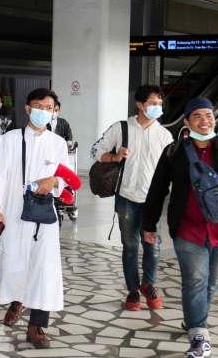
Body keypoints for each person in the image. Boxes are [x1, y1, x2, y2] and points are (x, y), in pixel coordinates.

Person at [143, 97, 218, 358]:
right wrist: (149, 224)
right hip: (188, 230)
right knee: (196, 281)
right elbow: (157, 189)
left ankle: (193, 319)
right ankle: (199, 335)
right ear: (186, 122)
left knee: (212, 282)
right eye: (197, 116)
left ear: (214, 119)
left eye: (208, 115)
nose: (204, 120)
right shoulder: (174, 152)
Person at [0, 88, 69, 349]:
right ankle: (17, 301)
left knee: (44, 267)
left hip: (43, 214)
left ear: (54, 111)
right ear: (27, 108)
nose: (43, 111)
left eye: (48, 107)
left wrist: (54, 180)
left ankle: (37, 326)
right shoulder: (11, 139)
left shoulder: (57, 143)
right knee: (13, 260)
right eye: (38, 105)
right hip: (12, 209)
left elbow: (67, 178)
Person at [90, 85, 173, 311]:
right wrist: (114, 156)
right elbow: (95, 150)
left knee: (152, 245)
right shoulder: (121, 128)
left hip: (152, 201)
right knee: (130, 246)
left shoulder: (165, 135)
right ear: (139, 104)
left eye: (159, 104)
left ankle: (149, 285)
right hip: (126, 197)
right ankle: (133, 290)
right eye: (152, 103)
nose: (157, 108)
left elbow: (170, 169)